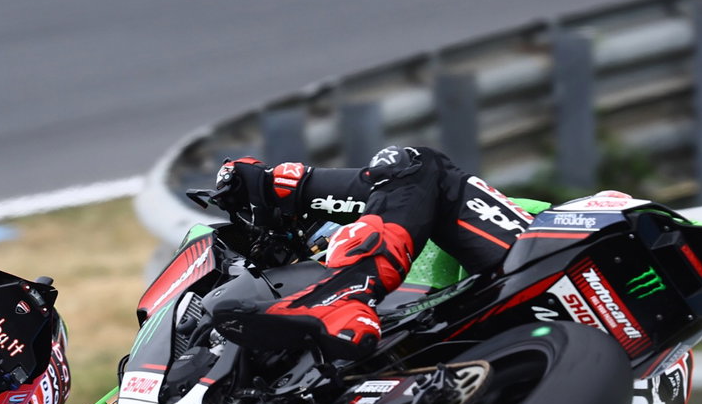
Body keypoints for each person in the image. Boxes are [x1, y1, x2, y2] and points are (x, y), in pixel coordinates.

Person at [212, 145, 533, 358]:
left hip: (551, 263)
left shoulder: (432, 215)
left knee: (413, 161)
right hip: (534, 354)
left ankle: (345, 292)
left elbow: (408, 180)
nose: (323, 250)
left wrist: (274, 186)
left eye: (327, 238)